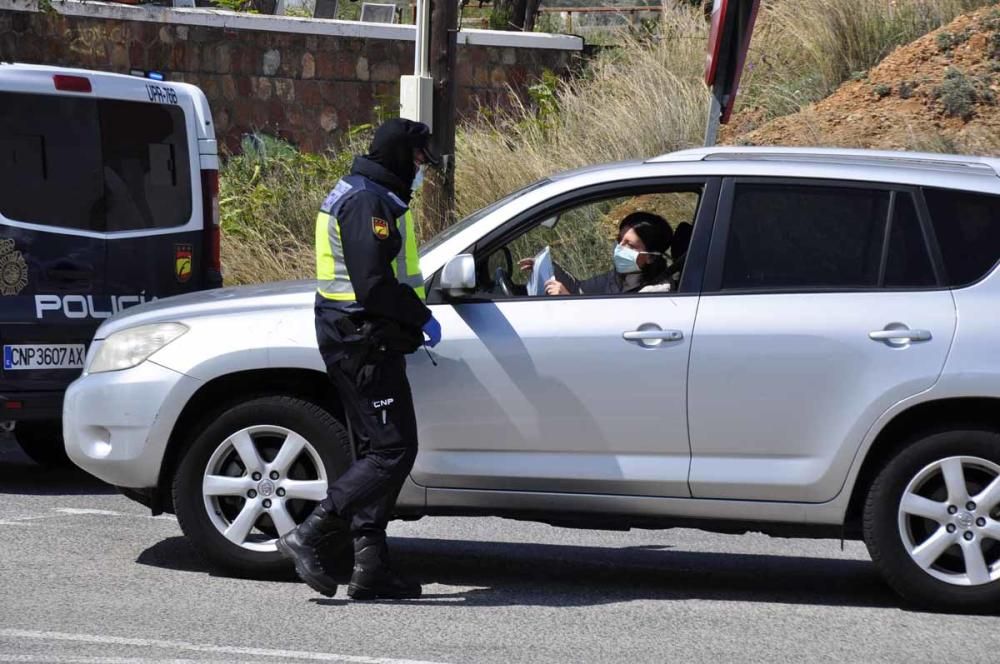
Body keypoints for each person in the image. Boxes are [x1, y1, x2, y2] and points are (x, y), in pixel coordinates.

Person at [276, 118, 442, 601]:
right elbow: (371, 284)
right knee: (392, 451)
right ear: (396, 154)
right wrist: (418, 315)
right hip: (361, 339)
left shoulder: (374, 193)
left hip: (362, 337)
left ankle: (371, 566)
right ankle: (311, 533)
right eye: (416, 160)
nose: (420, 170)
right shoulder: (366, 200)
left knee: (380, 452)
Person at [521, 212, 674, 296]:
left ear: (651, 257)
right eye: (619, 240)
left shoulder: (655, 294)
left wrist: (568, 301)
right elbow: (581, 288)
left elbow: (612, 329)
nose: (619, 248)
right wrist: (547, 267)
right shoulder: (622, 275)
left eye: (630, 245)